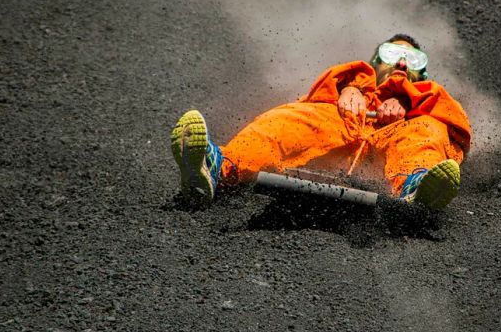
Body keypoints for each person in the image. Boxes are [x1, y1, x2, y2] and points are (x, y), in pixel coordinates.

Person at [170, 34, 472, 213]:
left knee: (427, 131)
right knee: (289, 119)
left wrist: (407, 101)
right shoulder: (347, 83)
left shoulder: (431, 102)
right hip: (341, 131)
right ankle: (217, 167)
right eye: (392, 54)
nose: (402, 63)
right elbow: (323, 90)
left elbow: (454, 127)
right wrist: (350, 89)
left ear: (423, 73)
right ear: (375, 61)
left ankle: (415, 186)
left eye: (413, 59)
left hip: (394, 148)